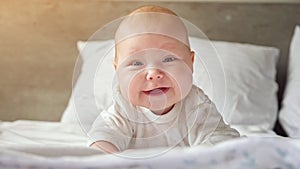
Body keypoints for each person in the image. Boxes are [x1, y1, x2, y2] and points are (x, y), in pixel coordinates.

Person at [88, 5, 240, 153]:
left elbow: (222, 139)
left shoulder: (196, 104)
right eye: (136, 63)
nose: (153, 73)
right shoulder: (123, 108)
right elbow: (103, 137)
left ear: (191, 63)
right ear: (118, 72)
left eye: (168, 59)